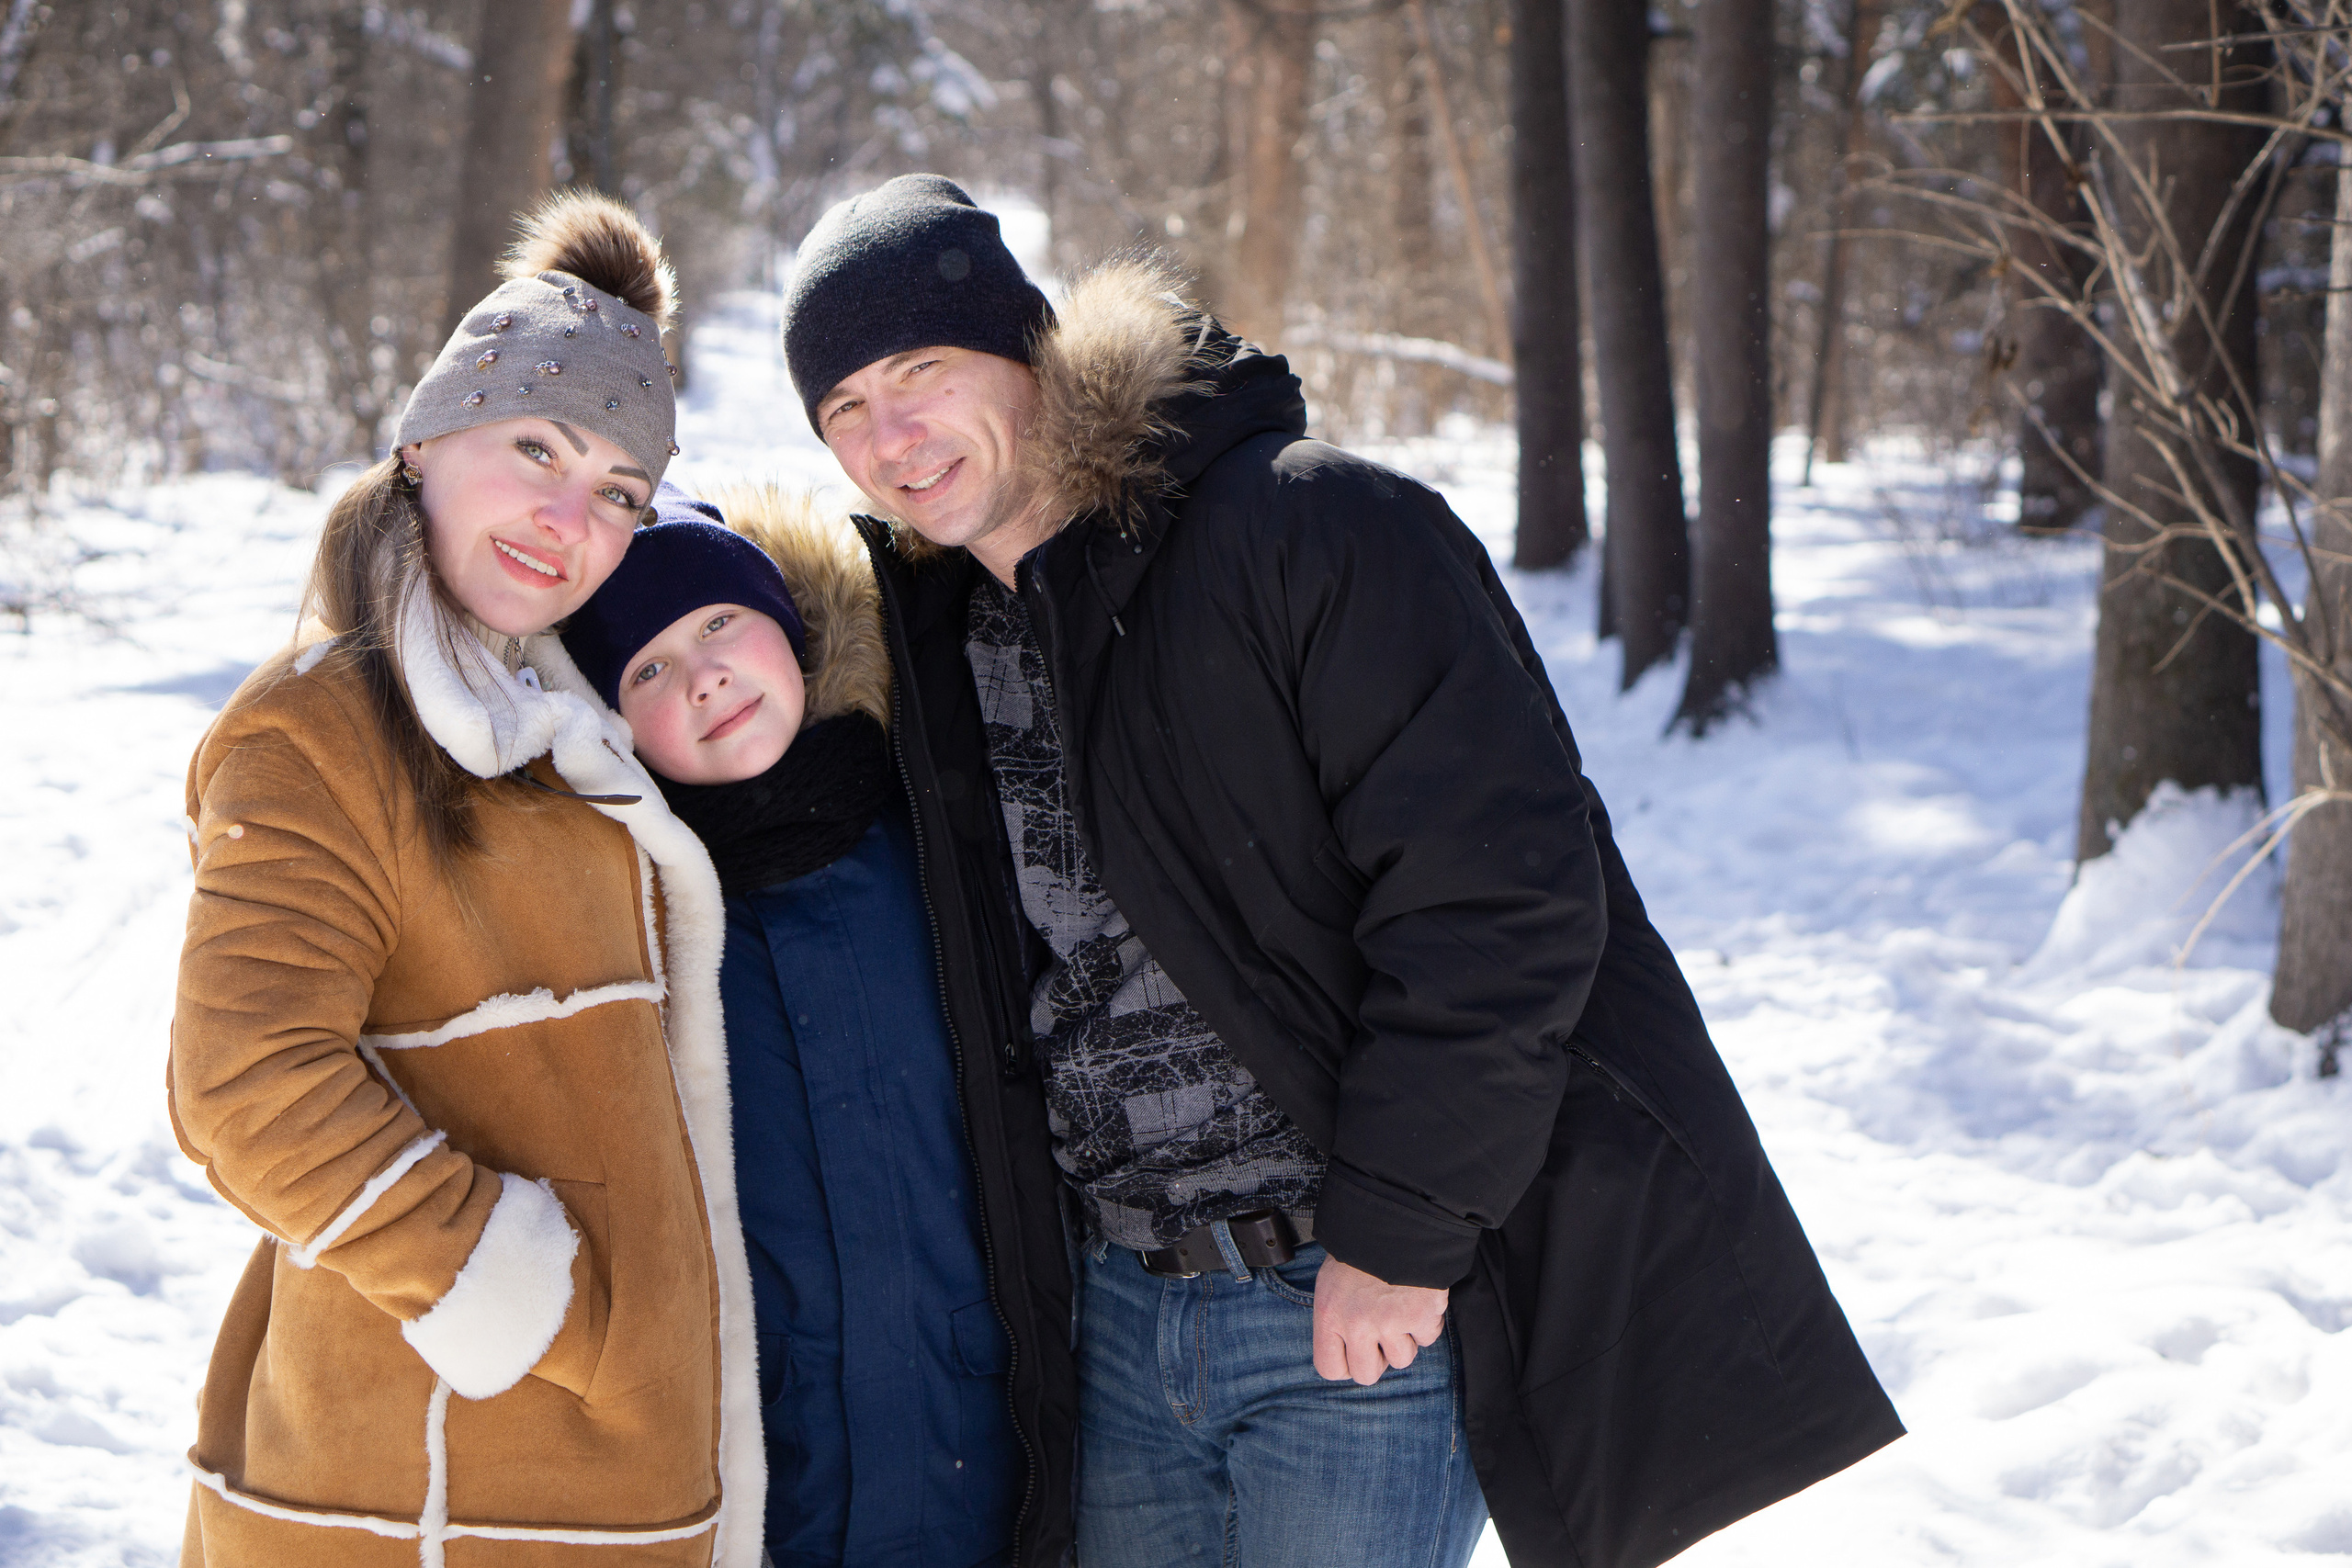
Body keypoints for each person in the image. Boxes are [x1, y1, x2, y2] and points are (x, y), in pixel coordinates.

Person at [779, 173, 1905, 1568]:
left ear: (1027, 349)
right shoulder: (941, 642)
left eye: (920, 373)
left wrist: (1403, 1234)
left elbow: (1499, 899)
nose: (889, 436)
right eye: (843, 410)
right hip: (1113, 1316)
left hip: (1343, 1300)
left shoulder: (1309, 532)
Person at [169, 193, 765, 1566]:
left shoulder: (563, 724)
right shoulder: (317, 729)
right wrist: (527, 1297)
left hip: (600, 1481)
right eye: (536, 448)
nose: (569, 517)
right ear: (427, 440)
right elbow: (244, 1082)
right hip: (421, 1492)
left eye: (619, 492)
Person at [558, 488, 1022, 1568]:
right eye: (648, 670)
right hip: (770, 1479)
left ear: (791, 622)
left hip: (994, 1456)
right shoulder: (631, 921)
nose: (704, 675)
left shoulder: (937, 824)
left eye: (720, 621)